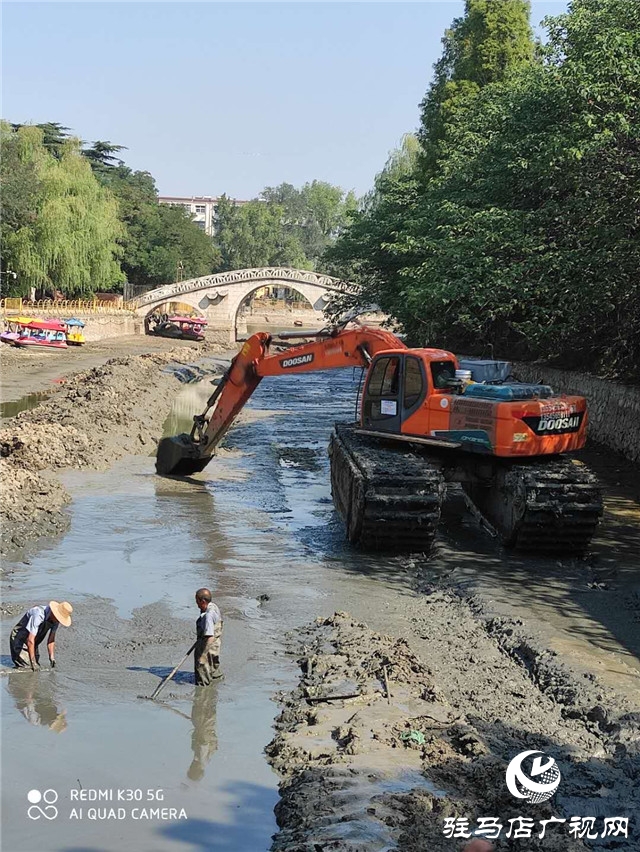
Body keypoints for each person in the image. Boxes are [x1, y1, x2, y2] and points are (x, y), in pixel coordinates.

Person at [9, 601, 73, 671]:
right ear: (54, 613)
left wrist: (51, 657)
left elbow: (51, 640)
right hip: (19, 639)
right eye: (58, 618)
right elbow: (30, 640)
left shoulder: (55, 621)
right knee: (27, 667)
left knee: (37, 667)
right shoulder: (38, 614)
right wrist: (33, 662)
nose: (58, 621)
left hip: (33, 643)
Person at [194, 588, 223, 686]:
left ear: (203, 601)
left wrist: (203, 656)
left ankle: (203, 695)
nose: (196, 604)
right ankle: (216, 682)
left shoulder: (208, 616)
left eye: (197, 601)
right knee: (213, 668)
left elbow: (210, 637)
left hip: (208, 645)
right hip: (216, 644)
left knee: (202, 672)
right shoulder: (213, 606)